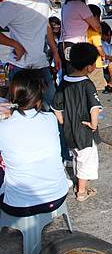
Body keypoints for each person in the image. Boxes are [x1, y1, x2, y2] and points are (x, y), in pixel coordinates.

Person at [0, 70, 69, 217]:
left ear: (12, 96)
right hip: (58, 196)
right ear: (39, 97)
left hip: (19, 205)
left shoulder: (3, 127)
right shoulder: (50, 119)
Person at [0, 0, 61, 106]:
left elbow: (46, 26)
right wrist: (15, 44)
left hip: (41, 64)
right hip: (20, 67)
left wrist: (55, 52)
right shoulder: (11, 5)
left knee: (51, 105)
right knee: (21, 108)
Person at [52, 43, 102, 202]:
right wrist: (94, 125)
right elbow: (94, 107)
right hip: (85, 130)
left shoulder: (64, 82)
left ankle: (79, 184)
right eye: (94, 63)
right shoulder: (87, 84)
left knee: (76, 156)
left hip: (69, 130)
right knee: (86, 161)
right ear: (88, 67)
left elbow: (56, 107)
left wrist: (64, 122)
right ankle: (81, 192)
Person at [59, 0, 101, 74]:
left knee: (67, 75)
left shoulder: (66, 5)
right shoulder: (81, 6)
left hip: (63, 44)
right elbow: (97, 26)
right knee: (76, 75)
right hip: (76, 46)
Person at [86, 5, 107, 91]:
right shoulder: (95, 31)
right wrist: (103, 56)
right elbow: (98, 47)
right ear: (95, 17)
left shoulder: (83, 28)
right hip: (96, 64)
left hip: (86, 62)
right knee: (96, 88)